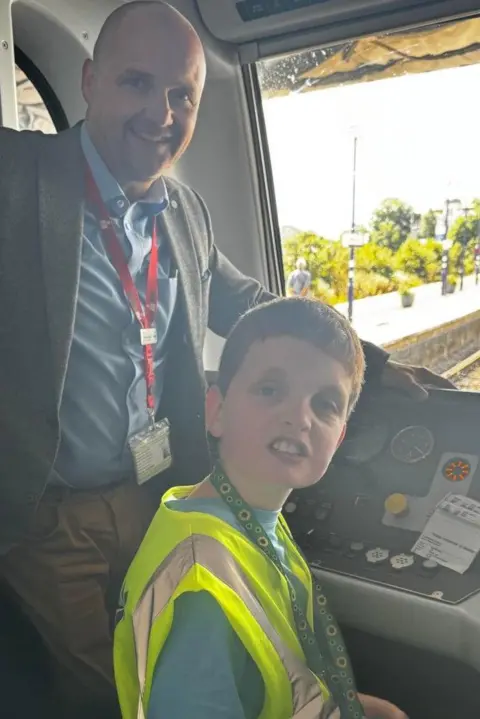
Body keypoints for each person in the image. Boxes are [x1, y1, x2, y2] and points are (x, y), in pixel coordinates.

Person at [0, 0, 452, 714]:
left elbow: (250, 301)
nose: (161, 113)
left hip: (155, 492)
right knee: (107, 692)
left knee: (182, 647)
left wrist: (367, 360)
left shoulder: (186, 212)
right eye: (137, 84)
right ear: (87, 81)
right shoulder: (17, 176)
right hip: (52, 513)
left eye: (182, 94)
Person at [114, 297, 407, 719]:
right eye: (270, 390)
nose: (299, 417)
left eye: (325, 403)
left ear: (339, 438)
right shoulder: (202, 591)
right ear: (216, 411)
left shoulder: (251, 516)